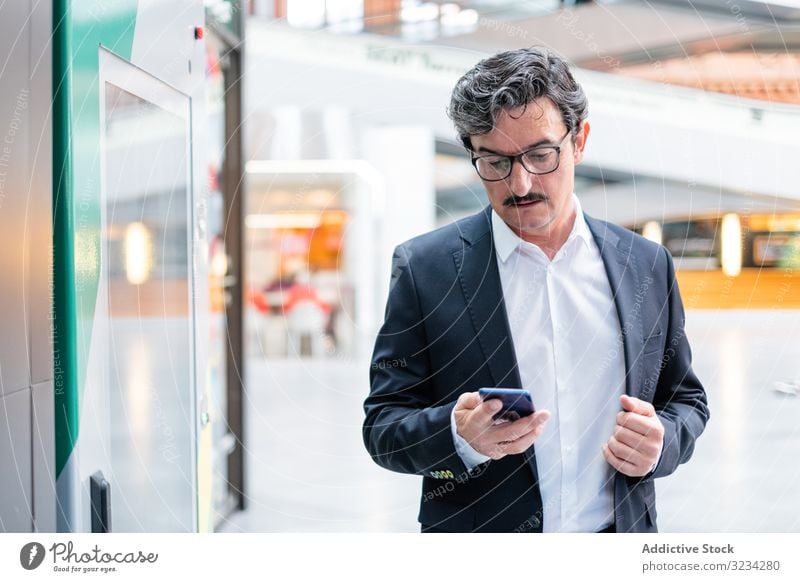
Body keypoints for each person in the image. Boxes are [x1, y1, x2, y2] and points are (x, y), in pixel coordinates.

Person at [362, 47, 709, 533]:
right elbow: (382, 428)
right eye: (495, 161)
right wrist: (458, 439)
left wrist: (663, 443)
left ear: (580, 140)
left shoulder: (646, 265)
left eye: (540, 155)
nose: (521, 183)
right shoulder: (426, 270)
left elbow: (686, 401)